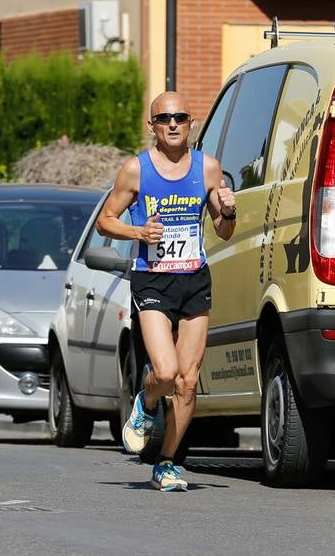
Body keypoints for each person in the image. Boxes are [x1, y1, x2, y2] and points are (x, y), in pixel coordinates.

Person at [96, 93, 236, 491]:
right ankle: (147, 402)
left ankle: (167, 461)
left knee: (189, 382)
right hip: (152, 278)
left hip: (194, 278)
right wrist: (138, 232)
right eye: (164, 119)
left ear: (191, 123)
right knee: (165, 372)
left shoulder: (208, 168)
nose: (173, 124)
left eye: (180, 117)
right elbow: (105, 222)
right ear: (152, 126)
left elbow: (224, 230)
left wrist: (228, 210)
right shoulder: (135, 171)